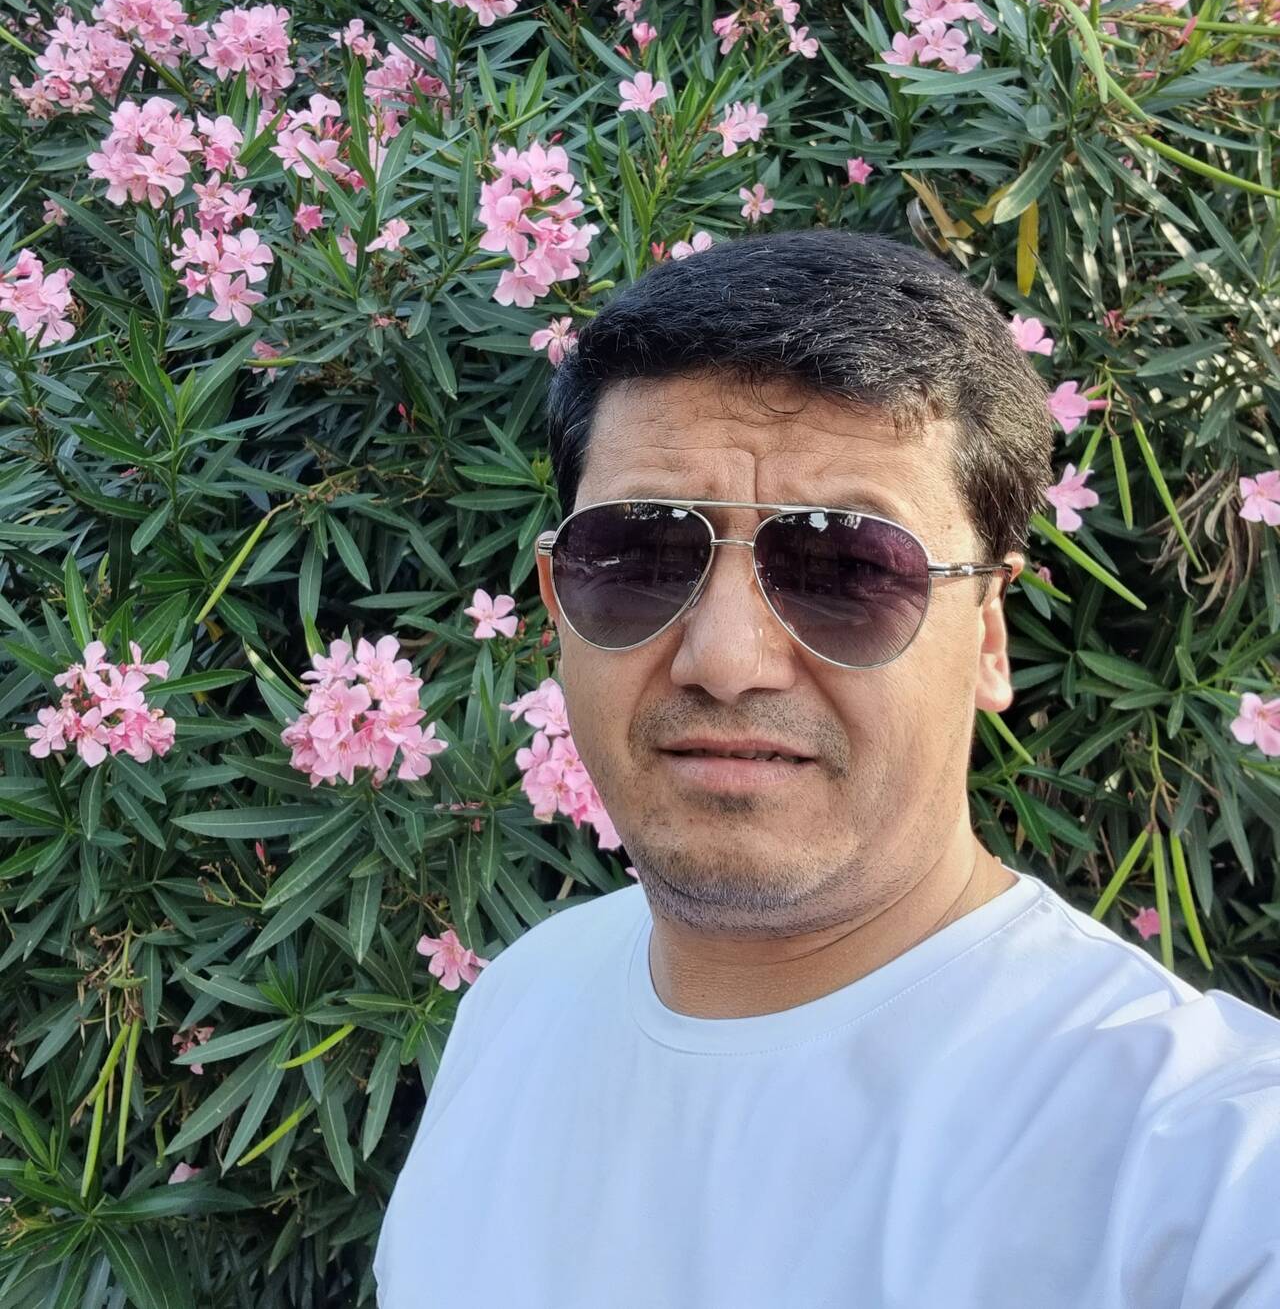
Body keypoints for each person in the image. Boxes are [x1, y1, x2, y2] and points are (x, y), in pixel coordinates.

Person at [374, 227, 1280, 1308]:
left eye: (847, 566)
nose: (725, 659)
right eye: (641, 555)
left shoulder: (1197, 1159)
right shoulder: (520, 1006)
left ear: (988, 636)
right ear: (556, 602)